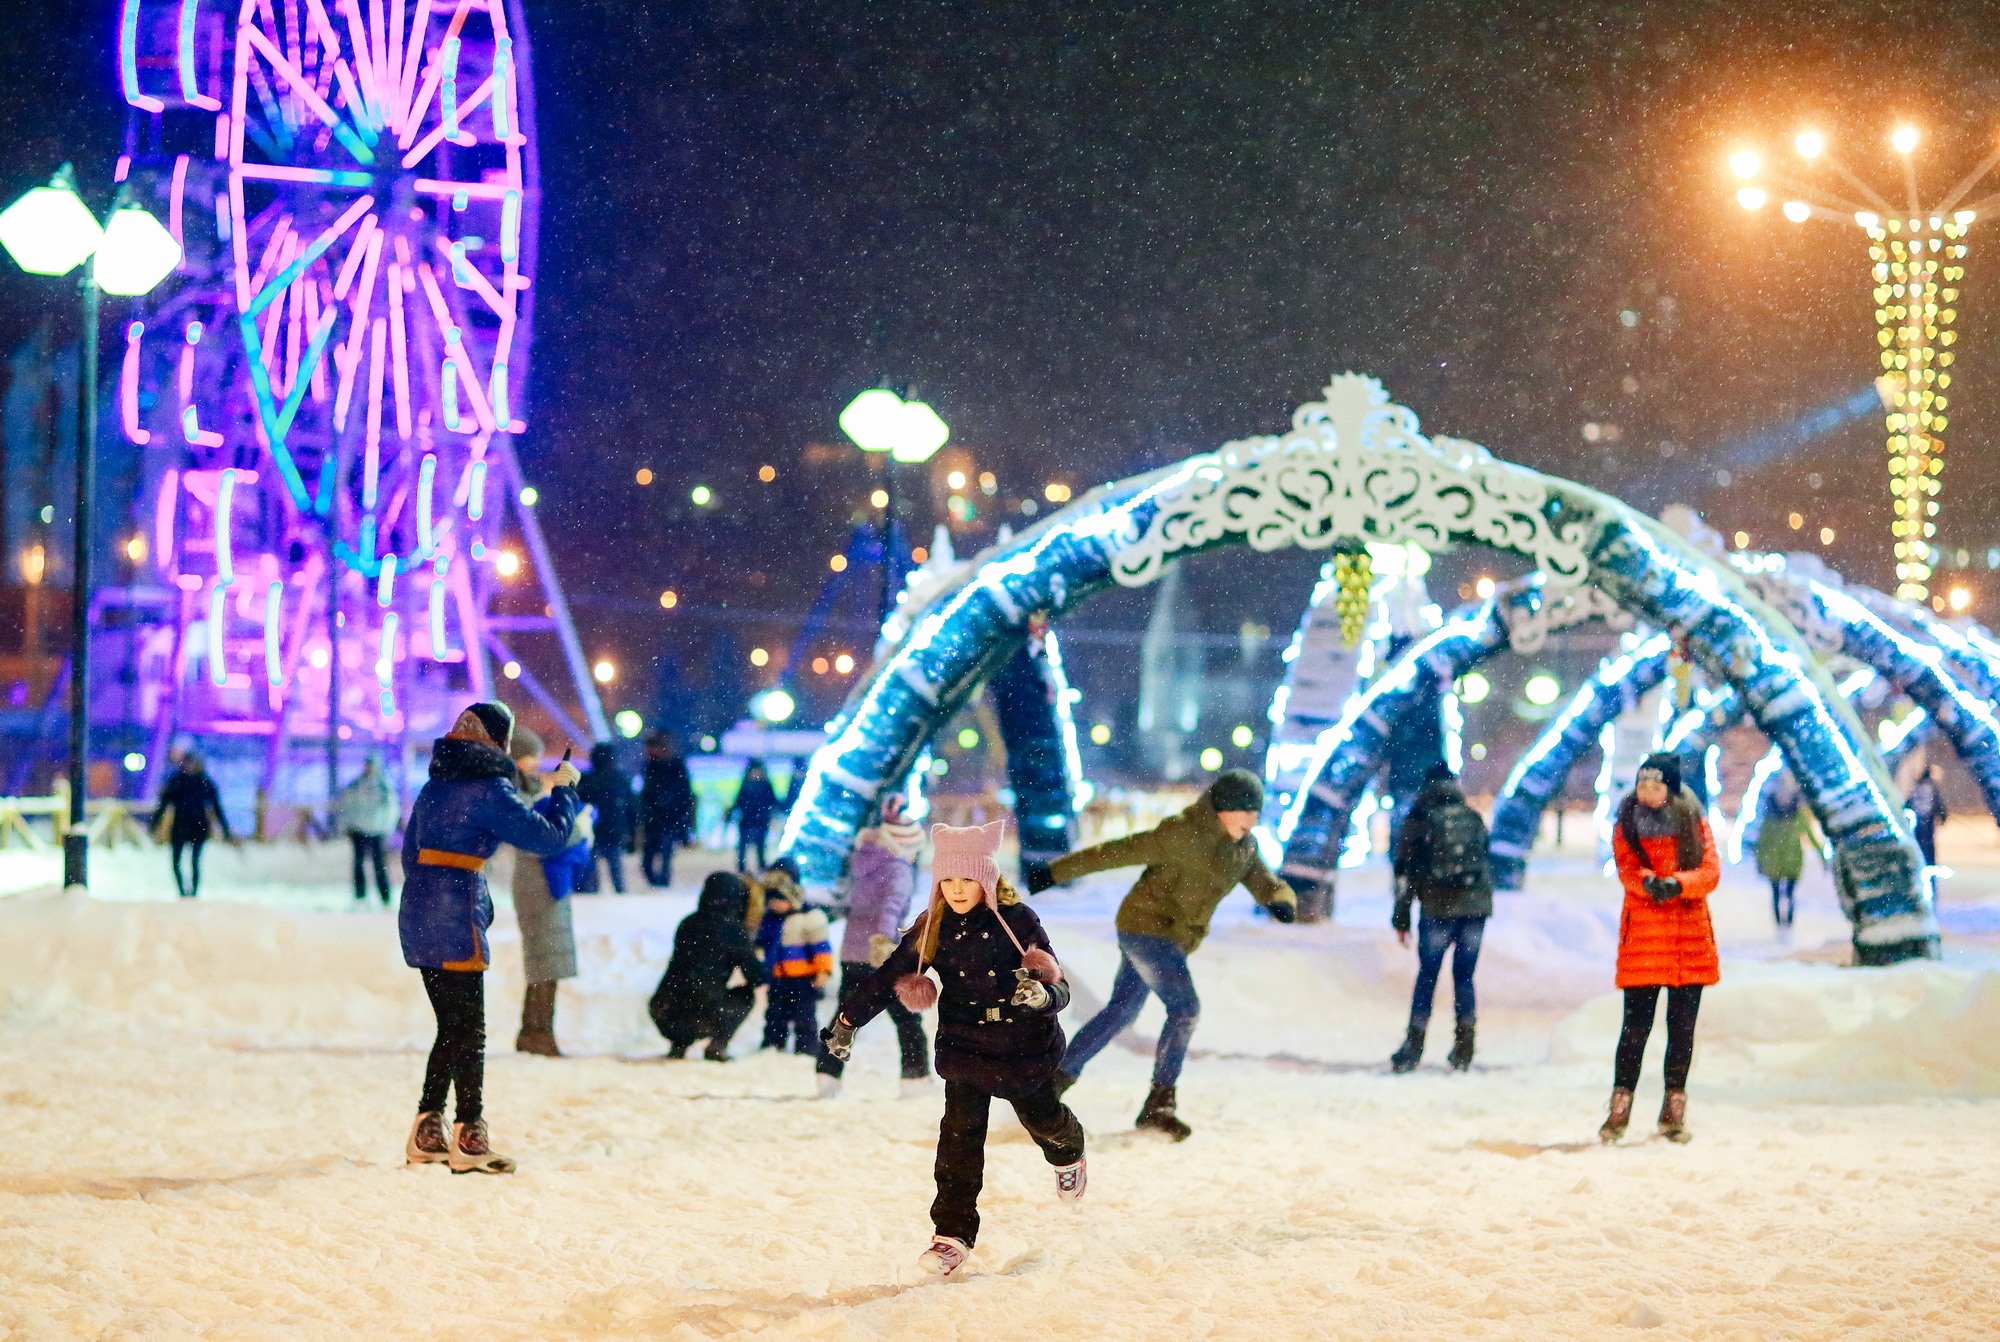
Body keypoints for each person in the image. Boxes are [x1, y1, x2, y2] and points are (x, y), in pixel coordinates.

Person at [820, 821, 1083, 1278]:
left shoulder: (1017, 922)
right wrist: (847, 1020)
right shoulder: (933, 925)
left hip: (1022, 1046)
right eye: (948, 880)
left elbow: (1058, 987)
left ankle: (1068, 1152)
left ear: (985, 878)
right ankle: (952, 1236)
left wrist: (1042, 997)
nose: (957, 889)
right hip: (965, 1046)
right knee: (958, 1142)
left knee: (1042, 1119)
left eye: (966, 879)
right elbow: (887, 978)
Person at [1029, 768, 1298, 1141]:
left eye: (1255, 813)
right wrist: (1054, 873)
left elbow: (1266, 882)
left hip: (1173, 939)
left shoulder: (1243, 849)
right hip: (1144, 928)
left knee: (1120, 1012)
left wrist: (1280, 900)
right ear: (1221, 808)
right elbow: (1118, 851)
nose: (1251, 820)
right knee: (1185, 1009)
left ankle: (1049, 1088)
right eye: (1244, 811)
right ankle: (1160, 1104)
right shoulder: (1181, 833)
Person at [399, 701, 578, 1174]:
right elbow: (547, 839)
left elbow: (409, 853)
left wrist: (429, 890)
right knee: (470, 1031)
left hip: (418, 914)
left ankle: (427, 1128)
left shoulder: (434, 787)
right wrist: (562, 793)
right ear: (499, 741)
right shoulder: (488, 790)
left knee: (450, 1026)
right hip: (456, 917)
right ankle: (469, 1135)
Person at [1600, 752, 1719, 1146]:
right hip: (1645, 938)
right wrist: (1649, 881)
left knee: (1681, 1029)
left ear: (1670, 787)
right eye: (1642, 784)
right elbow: (1626, 866)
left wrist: (1679, 884)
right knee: (1635, 1028)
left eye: (1655, 784)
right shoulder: (1627, 820)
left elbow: (1710, 871)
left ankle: (1673, 1112)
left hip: (1689, 937)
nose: (1647, 792)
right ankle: (1619, 1110)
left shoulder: (1693, 820)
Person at [815, 795, 931, 1099]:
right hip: (881, 954)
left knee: (845, 1016)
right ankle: (915, 1079)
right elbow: (890, 909)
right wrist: (882, 940)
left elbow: (850, 903)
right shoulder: (898, 869)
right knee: (906, 1018)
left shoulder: (860, 861)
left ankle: (827, 1073)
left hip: (851, 952)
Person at [1388, 763, 1493, 1073]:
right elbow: (1486, 856)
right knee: (1464, 977)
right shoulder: (1471, 815)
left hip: (1438, 906)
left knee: (1428, 976)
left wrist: (1402, 916)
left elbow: (1405, 871)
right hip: (1475, 906)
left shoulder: (1419, 817)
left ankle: (1413, 1047)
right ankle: (1465, 1046)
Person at [504, 728, 582, 1057]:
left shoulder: (530, 789)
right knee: (544, 960)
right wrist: (564, 801)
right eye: (529, 756)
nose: (535, 764)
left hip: (546, 883)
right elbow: (541, 838)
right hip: (537, 885)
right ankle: (537, 1032)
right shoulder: (512, 793)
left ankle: (535, 1030)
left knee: (548, 961)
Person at [649, 871, 764, 1059]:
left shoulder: (688, 923)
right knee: (745, 995)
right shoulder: (733, 930)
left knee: (689, 991)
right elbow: (754, 974)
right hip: (704, 1013)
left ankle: (679, 1045)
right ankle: (717, 1045)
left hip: (665, 1010)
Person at [757, 864, 834, 1054]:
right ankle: (773, 1043)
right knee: (775, 1013)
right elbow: (763, 946)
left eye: (780, 899)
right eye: (772, 900)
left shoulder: (809, 918)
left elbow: (821, 948)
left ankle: (806, 1045)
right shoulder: (771, 921)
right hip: (778, 977)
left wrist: (822, 971)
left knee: (804, 1015)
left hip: (803, 978)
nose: (775, 904)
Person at [151, 752, 234, 899]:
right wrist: (154, 824)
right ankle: (183, 892)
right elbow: (163, 806)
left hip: (197, 827)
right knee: (177, 862)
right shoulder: (177, 782)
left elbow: (216, 808)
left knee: (194, 862)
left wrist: (226, 829)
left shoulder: (204, 782)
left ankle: (193, 893)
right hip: (181, 827)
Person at [337, 754, 400, 905]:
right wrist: (346, 825)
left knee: (379, 864)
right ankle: (360, 895)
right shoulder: (356, 786)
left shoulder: (384, 787)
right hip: (358, 829)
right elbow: (346, 806)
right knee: (359, 863)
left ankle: (384, 896)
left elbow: (391, 809)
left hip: (377, 830)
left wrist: (387, 827)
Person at [1754, 774, 1814, 930]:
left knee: (1790, 894)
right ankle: (1779, 924)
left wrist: (1824, 857)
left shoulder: (1798, 815)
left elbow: (1810, 835)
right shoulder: (1770, 817)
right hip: (1773, 862)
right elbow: (1762, 841)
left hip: (1792, 861)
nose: (1784, 799)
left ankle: (1789, 923)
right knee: (1775, 895)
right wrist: (1759, 861)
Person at [575, 742, 637, 893]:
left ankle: (590, 892)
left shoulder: (587, 780)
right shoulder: (620, 780)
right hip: (613, 831)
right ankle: (619, 893)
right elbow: (631, 809)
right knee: (616, 869)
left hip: (594, 830)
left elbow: (578, 806)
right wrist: (631, 832)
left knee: (590, 869)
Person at [639, 732, 696, 887]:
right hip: (655, 819)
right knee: (649, 859)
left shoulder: (674, 766)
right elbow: (647, 793)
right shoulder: (651, 767)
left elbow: (684, 794)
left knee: (664, 853)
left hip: (668, 819)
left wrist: (677, 812)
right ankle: (658, 882)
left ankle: (663, 883)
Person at [727, 759, 779, 872]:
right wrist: (730, 812)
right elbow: (739, 802)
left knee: (760, 847)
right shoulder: (745, 785)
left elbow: (772, 801)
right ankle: (741, 869)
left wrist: (773, 813)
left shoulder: (766, 785)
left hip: (761, 821)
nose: (756, 774)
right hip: (746, 821)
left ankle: (761, 868)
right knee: (742, 848)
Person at [1907, 765, 1948, 868]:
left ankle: (1919, 864)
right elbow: (1937, 803)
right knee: (1929, 845)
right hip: (1928, 820)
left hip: (1917, 820)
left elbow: (1909, 803)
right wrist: (1943, 816)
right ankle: (1929, 866)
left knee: (1919, 843)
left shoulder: (1916, 786)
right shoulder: (1931, 787)